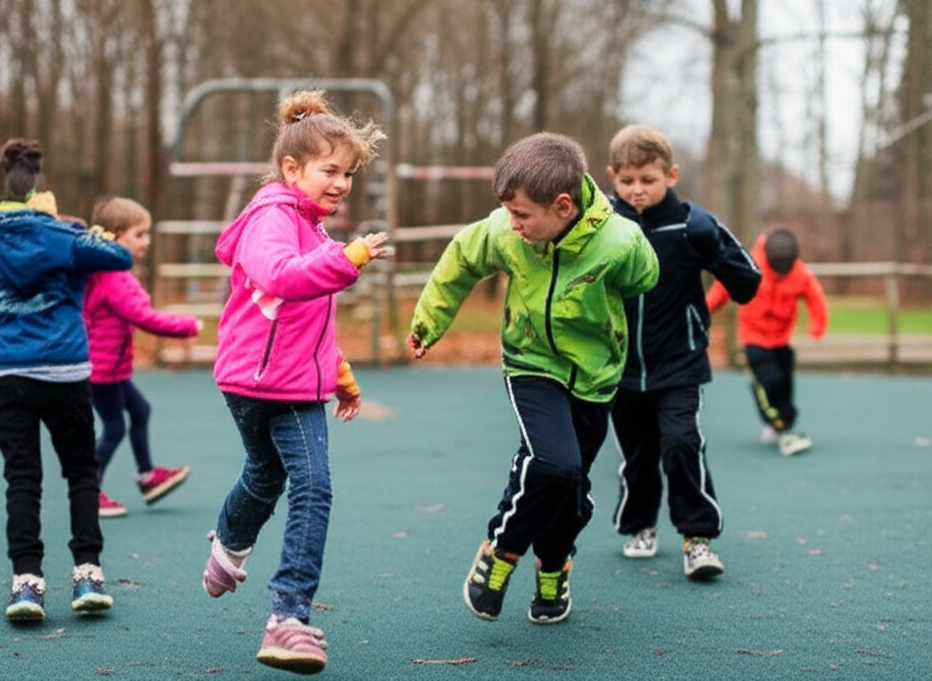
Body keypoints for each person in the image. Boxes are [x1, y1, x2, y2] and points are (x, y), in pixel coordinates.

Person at [407, 132, 660, 625]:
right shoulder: (506, 232)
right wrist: (428, 321)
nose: (513, 224)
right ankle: (501, 550)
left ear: (563, 205)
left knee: (569, 487)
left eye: (523, 214)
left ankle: (554, 569)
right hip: (531, 363)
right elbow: (461, 259)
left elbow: (644, 276)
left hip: (594, 374)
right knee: (556, 467)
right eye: (508, 212)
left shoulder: (620, 241)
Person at [201, 90, 388, 675]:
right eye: (330, 170)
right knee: (289, 480)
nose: (341, 183)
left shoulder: (311, 227)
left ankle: (250, 571)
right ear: (292, 169)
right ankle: (276, 601)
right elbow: (280, 279)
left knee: (286, 478)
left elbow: (308, 321)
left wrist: (340, 374)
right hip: (255, 382)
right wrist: (349, 258)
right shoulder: (272, 218)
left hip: (291, 387)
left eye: (349, 173)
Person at [0, 139, 132, 622]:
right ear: (39, 185)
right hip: (66, 370)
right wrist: (76, 230)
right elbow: (119, 258)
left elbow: (2, 258)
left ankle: (26, 584)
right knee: (81, 473)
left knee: (22, 479)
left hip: (12, 372)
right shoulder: (63, 236)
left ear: (8, 181)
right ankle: (87, 573)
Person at [605, 124, 761, 579]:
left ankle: (697, 538)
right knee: (637, 454)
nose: (637, 190)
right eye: (627, 181)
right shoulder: (602, 227)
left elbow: (748, 283)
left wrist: (713, 242)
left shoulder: (691, 225)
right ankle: (640, 526)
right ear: (612, 176)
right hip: (619, 366)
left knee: (680, 443)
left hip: (680, 361)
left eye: (648, 180)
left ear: (671, 175)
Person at [82, 197, 203, 518]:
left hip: (111, 368)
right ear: (116, 236)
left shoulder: (105, 271)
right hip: (102, 371)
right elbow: (144, 317)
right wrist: (189, 325)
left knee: (140, 410)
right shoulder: (115, 277)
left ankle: (147, 477)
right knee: (114, 428)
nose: (147, 241)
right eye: (139, 234)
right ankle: (87, 492)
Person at [707, 226, 828, 456]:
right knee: (769, 381)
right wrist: (704, 310)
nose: (783, 275)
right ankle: (783, 426)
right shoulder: (750, 265)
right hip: (754, 338)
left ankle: (782, 422)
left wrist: (817, 325)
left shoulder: (800, 273)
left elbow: (816, 298)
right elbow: (723, 288)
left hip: (781, 339)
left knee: (783, 384)